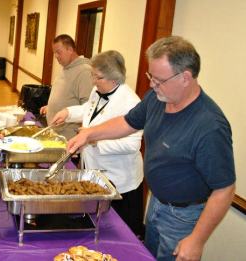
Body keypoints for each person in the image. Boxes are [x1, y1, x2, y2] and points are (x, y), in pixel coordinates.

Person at [67, 36, 236, 261]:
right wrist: (90, 133)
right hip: (156, 203)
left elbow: (224, 189)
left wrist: (197, 240)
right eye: (151, 77)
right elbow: (128, 122)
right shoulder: (158, 97)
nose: (151, 85)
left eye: (159, 79)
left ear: (185, 77)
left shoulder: (209, 126)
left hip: (183, 216)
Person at [51, 50, 144, 236]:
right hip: (94, 171)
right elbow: (89, 110)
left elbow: (132, 145)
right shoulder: (98, 89)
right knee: (96, 228)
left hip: (119, 179)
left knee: (119, 233)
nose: (93, 81)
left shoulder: (132, 103)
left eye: (98, 77)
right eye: (92, 75)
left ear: (114, 79)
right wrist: (68, 112)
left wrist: (93, 140)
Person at [40, 34, 93, 140]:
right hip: (56, 132)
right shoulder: (67, 67)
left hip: (68, 136)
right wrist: (50, 107)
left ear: (70, 49)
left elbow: (88, 107)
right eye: (54, 53)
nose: (56, 56)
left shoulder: (84, 71)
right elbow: (67, 95)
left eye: (58, 52)